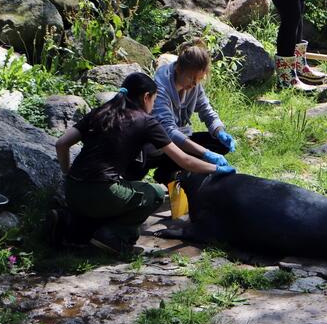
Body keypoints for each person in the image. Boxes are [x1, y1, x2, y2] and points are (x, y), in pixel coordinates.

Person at [53, 72, 236, 256]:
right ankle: (116, 238)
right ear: (146, 97)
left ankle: (72, 224)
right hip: (102, 192)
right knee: (154, 193)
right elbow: (185, 160)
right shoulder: (146, 121)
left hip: (72, 191)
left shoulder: (100, 112)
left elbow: (61, 144)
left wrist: (67, 173)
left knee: (110, 198)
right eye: (154, 100)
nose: (153, 106)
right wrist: (217, 169)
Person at [150, 41, 237, 183]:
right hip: (159, 147)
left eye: (199, 79)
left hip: (182, 138)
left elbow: (206, 109)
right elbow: (169, 132)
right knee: (204, 151)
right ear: (178, 69)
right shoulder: (160, 89)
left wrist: (219, 130)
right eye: (192, 78)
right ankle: (166, 172)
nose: (195, 84)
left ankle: (174, 171)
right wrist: (205, 153)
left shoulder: (193, 85)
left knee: (219, 143)